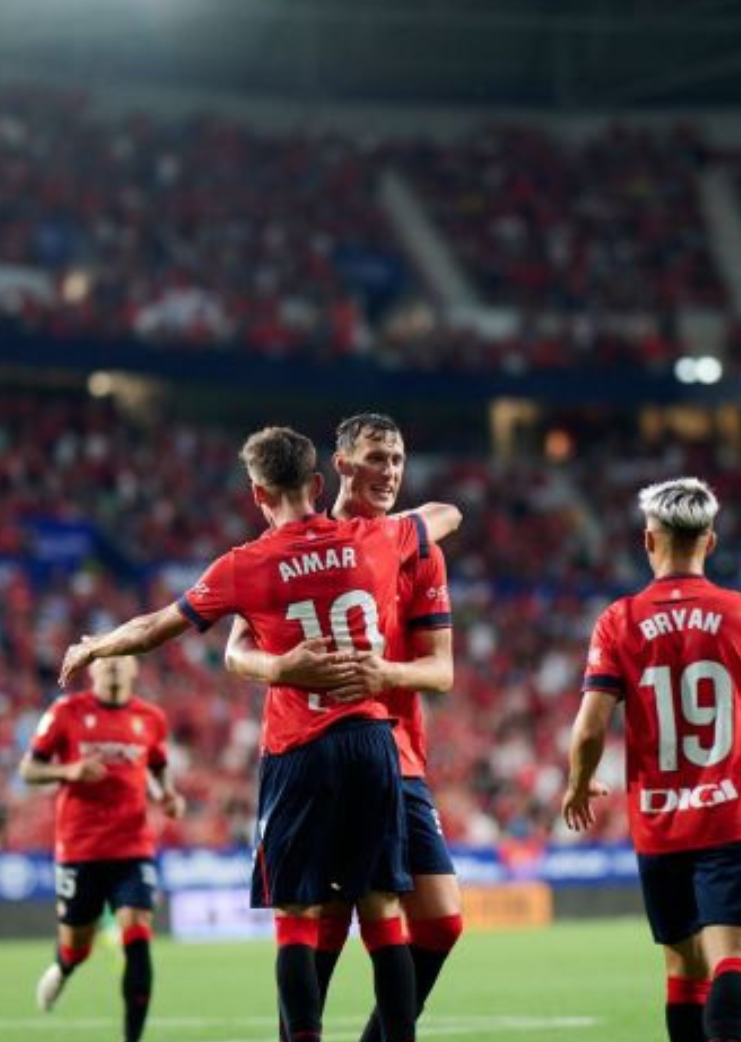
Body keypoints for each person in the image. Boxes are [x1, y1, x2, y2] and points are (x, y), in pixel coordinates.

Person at [58, 425, 461, 1042]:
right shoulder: (374, 538)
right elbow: (442, 515)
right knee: (381, 913)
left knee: (298, 919)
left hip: (301, 749)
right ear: (321, 480)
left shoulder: (246, 564)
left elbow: (155, 626)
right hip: (375, 742)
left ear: (256, 493)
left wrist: (95, 646)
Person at [224, 414, 462, 1042]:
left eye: (398, 460)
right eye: (376, 458)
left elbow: (441, 673)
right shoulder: (297, 543)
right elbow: (235, 651)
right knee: (321, 923)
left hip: (395, 750)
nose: (389, 472)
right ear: (341, 465)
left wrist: (385, 674)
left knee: (441, 922)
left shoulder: (411, 549)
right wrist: (279, 666)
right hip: (318, 748)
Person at [560, 478, 741, 1042]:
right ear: (710, 543)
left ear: (649, 540)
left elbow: (591, 725)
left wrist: (579, 784)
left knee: (683, 967)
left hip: (661, 825)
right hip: (732, 816)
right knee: (734, 957)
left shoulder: (619, 620)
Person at [23, 655, 184, 1042]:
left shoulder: (150, 718)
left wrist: (167, 795)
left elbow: (158, 765)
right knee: (78, 947)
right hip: (80, 849)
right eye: (105, 659)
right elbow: (29, 769)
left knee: (137, 934)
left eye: (121, 658)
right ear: (92, 669)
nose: (113, 665)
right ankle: (64, 966)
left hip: (133, 847)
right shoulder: (66, 711)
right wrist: (68, 771)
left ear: (135, 668)